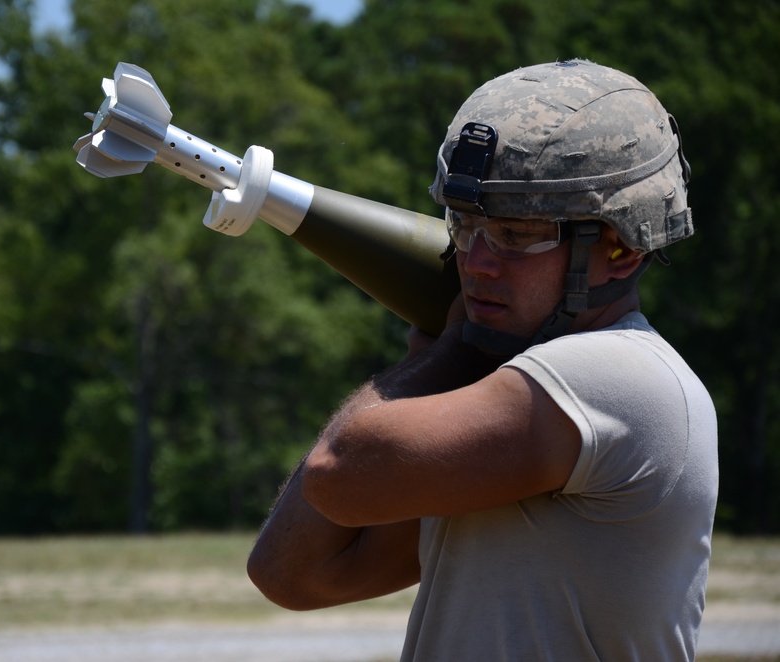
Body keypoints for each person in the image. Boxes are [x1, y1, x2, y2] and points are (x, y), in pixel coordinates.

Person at [246, 59, 718, 661]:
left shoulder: (617, 378)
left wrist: (452, 345)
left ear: (621, 248)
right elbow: (292, 571)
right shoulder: (508, 430)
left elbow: (340, 472)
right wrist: (456, 349)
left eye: (517, 236)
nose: (476, 263)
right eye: (464, 226)